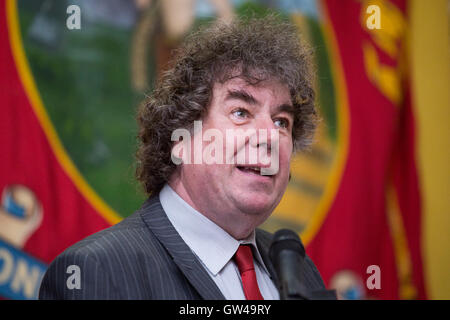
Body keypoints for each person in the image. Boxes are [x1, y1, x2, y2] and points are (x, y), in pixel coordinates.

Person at [39, 15, 335, 300]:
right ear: (180, 138)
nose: (269, 136)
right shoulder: (97, 272)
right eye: (241, 113)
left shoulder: (299, 273)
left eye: (282, 121)